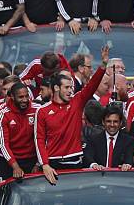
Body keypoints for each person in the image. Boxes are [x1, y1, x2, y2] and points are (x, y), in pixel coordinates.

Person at [35, 46, 108, 184]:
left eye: (71, 88)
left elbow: (92, 85)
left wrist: (103, 65)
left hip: (75, 160)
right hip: (52, 162)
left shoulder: (77, 101)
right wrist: (44, 164)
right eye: (67, 88)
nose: (70, 91)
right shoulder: (42, 110)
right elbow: (39, 140)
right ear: (56, 88)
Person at [0, 82, 38, 180]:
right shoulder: (3, 114)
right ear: (12, 97)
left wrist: (38, 163)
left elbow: (43, 138)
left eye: (26, 96)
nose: (25, 100)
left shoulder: (37, 110)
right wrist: (15, 166)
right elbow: (3, 144)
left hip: (31, 159)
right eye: (21, 97)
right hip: (8, 160)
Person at [84, 105, 134, 171]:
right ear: (103, 122)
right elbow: (88, 157)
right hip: (98, 177)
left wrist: (127, 164)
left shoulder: (128, 141)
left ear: (121, 123)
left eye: (115, 121)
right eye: (108, 121)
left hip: (119, 178)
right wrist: (94, 165)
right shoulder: (93, 140)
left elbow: (129, 159)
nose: (112, 125)